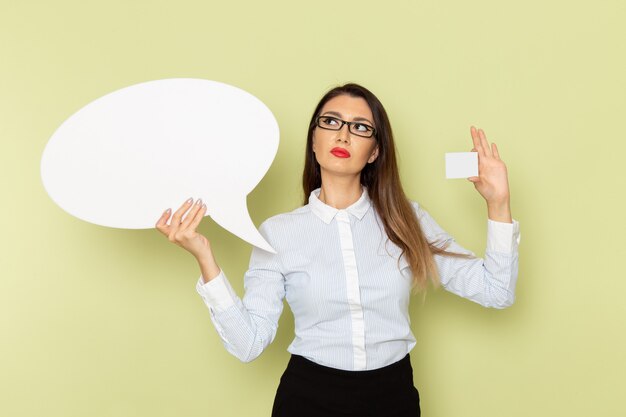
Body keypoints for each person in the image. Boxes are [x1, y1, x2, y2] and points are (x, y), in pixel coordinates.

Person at [155, 83, 520, 417]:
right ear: (314, 140)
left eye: (360, 126)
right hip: (308, 399)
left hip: (392, 397)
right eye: (331, 121)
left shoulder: (408, 220)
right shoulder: (279, 234)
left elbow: (496, 291)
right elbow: (249, 343)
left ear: (375, 151)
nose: (343, 133)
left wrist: (498, 203)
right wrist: (204, 256)